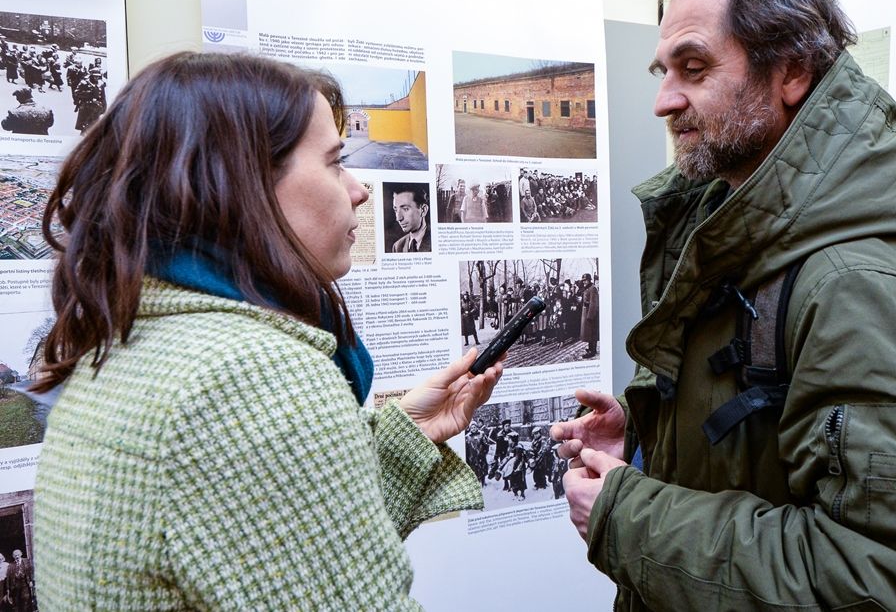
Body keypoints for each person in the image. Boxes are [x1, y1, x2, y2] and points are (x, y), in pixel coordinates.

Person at [551, 0, 896, 611]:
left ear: (790, 70)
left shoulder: (858, 282)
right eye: (664, 71)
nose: (663, 101)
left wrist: (631, 518)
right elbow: (776, 451)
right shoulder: (750, 228)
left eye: (694, 67)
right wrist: (653, 448)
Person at [30, 52, 504, 609]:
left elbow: (271, 555)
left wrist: (404, 439)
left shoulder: (135, 342)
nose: (358, 190)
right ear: (243, 183)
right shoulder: (250, 377)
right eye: (334, 162)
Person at [391, 184, 430, 252]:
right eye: (396, 210)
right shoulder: (397, 247)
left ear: (423, 210)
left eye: (405, 209)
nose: (398, 218)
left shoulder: (436, 241)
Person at [578, 273, 598, 358]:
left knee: (592, 333)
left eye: (585, 280)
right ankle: (591, 348)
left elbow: (594, 303)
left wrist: (590, 316)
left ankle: (592, 351)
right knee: (589, 333)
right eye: (583, 281)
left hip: (590, 313)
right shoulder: (587, 288)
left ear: (589, 280)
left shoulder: (592, 288)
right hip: (586, 312)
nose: (584, 282)